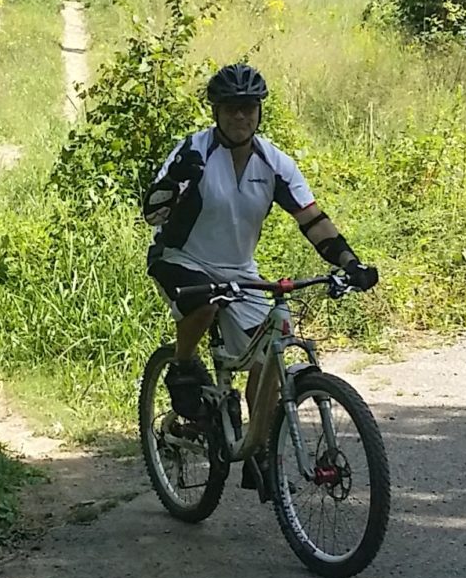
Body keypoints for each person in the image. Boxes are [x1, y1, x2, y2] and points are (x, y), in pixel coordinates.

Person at [141, 62, 379, 424]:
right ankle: (183, 367)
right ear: (216, 112)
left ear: (259, 111)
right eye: (231, 108)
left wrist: (349, 262)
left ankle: (260, 450)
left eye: (249, 108)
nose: (241, 116)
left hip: (239, 269)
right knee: (205, 304)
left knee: (269, 356)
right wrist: (174, 179)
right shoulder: (194, 151)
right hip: (180, 258)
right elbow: (153, 215)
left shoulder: (274, 162)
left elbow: (312, 220)